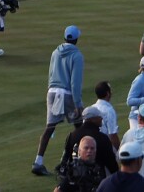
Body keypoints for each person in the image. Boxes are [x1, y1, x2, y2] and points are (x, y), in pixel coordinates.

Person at [33, 26, 85, 176]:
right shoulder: (77, 56)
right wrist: (78, 104)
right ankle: (69, 161)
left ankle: (38, 161)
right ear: (76, 39)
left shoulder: (55, 52)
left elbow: (50, 74)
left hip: (52, 91)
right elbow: (75, 83)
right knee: (79, 127)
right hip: (67, 94)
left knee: (50, 127)